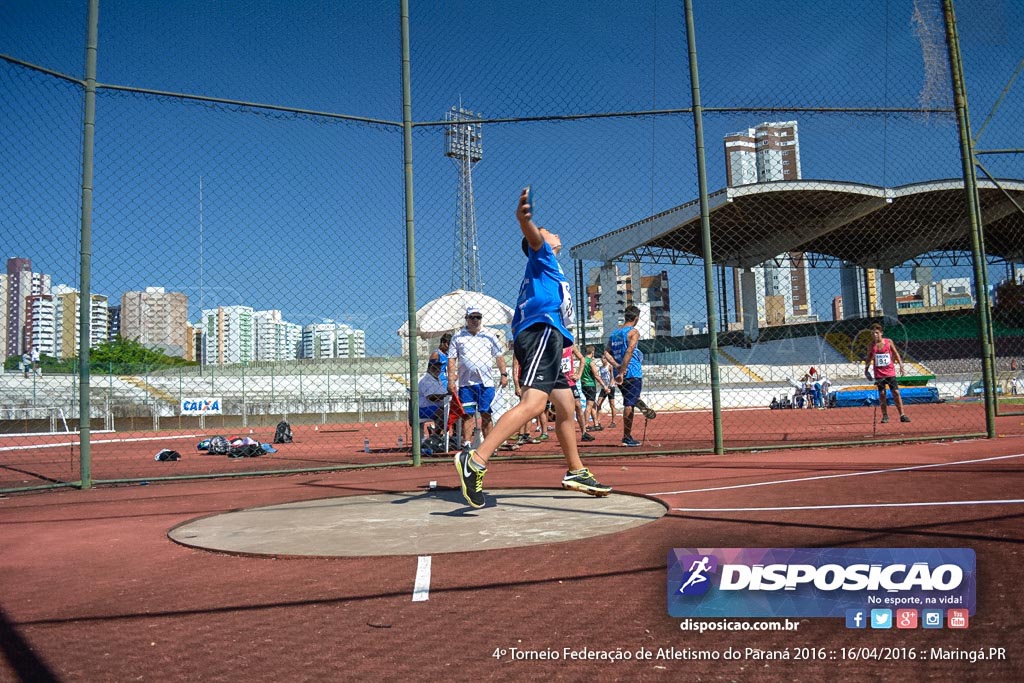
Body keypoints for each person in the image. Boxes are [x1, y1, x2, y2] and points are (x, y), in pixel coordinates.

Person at [454, 188, 611, 508]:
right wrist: (524, 220)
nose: (554, 233)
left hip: (550, 339)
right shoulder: (543, 256)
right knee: (535, 404)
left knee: (566, 407)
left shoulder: (549, 270)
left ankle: (576, 471)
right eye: (547, 231)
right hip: (541, 334)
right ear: (540, 240)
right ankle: (476, 461)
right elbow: (533, 237)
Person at [448, 307, 509, 445]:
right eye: (472, 317)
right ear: (467, 319)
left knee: (486, 414)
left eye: (478, 317)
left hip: (486, 383)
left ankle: (489, 445)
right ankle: (467, 445)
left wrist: (503, 374)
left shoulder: (489, 335)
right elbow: (452, 359)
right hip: (466, 384)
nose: (475, 320)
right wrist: (451, 380)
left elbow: (499, 356)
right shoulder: (458, 337)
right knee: (467, 415)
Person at [604, 305, 656, 447]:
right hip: (632, 371)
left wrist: (617, 367)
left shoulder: (614, 333)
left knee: (630, 397)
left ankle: (639, 403)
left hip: (619, 372)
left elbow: (606, 353)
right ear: (636, 318)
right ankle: (627, 436)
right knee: (629, 404)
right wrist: (623, 370)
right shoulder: (633, 332)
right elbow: (629, 350)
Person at [864, 323, 910, 424]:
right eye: (873, 334)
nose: (875, 335)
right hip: (879, 373)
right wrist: (866, 370)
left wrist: (901, 366)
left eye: (876, 333)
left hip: (890, 372)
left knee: (896, 392)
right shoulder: (871, 345)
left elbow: (896, 353)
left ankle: (902, 414)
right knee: (882, 394)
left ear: (881, 333)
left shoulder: (888, 342)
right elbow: (868, 357)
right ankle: (885, 415)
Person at [417, 359, 449, 437]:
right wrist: (446, 396)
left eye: (439, 368)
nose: (437, 370)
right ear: (429, 368)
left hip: (437, 407)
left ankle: (455, 435)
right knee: (444, 412)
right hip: (425, 408)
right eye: (435, 368)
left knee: (455, 411)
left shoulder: (438, 380)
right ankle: (435, 435)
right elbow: (431, 397)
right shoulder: (426, 380)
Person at [579, 345, 607, 431]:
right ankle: (586, 425)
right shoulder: (590, 362)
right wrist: (604, 385)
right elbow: (596, 375)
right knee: (589, 406)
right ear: (593, 352)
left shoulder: (582, 361)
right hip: (590, 385)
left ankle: (596, 423)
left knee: (593, 404)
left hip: (583, 384)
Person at [594, 359, 617, 428]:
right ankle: (598, 421)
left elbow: (612, 377)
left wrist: (610, 386)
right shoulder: (601, 368)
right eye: (602, 359)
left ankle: (613, 422)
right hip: (604, 388)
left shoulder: (609, 366)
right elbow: (600, 377)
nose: (603, 360)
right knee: (598, 403)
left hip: (610, 387)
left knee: (612, 404)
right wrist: (604, 386)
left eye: (604, 359)